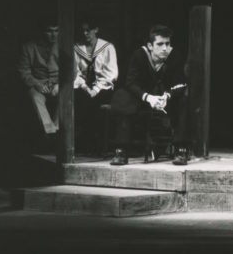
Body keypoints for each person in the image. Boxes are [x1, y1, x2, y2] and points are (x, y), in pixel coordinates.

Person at [108, 25, 190, 167]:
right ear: (150, 46)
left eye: (167, 44)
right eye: (160, 44)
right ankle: (121, 151)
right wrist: (148, 97)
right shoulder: (139, 55)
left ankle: (181, 150)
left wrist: (167, 96)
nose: (165, 48)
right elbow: (130, 82)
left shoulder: (174, 55)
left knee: (184, 100)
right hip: (144, 97)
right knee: (122, 97)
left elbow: (180, 82)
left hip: (165, 98)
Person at [73, 18, 119, 152]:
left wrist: (96, 89)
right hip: (83, 87)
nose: (85, 33)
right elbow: (74, 72)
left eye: (88, 30)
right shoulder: (76, 48)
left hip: (103, 87)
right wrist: (84, 86)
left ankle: (96, 144)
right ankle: (83, 143)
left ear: (96, 30)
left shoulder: (107, 47)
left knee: (94, 104)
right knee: (78, 101)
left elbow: (111, 73)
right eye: (83, 30)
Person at [17, 20, 60, 137]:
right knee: (36, 97)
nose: (53, 35)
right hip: (38, 83)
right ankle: (50, 132)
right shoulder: (28, 47)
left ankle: (57, 131)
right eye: (49, 31)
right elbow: (24, 71)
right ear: (42, 32)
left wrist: (59, 84)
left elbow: (71, 71)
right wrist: (36, 84)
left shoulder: (64, 45)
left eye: (56, 31)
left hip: (58, 83)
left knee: (66, 95)